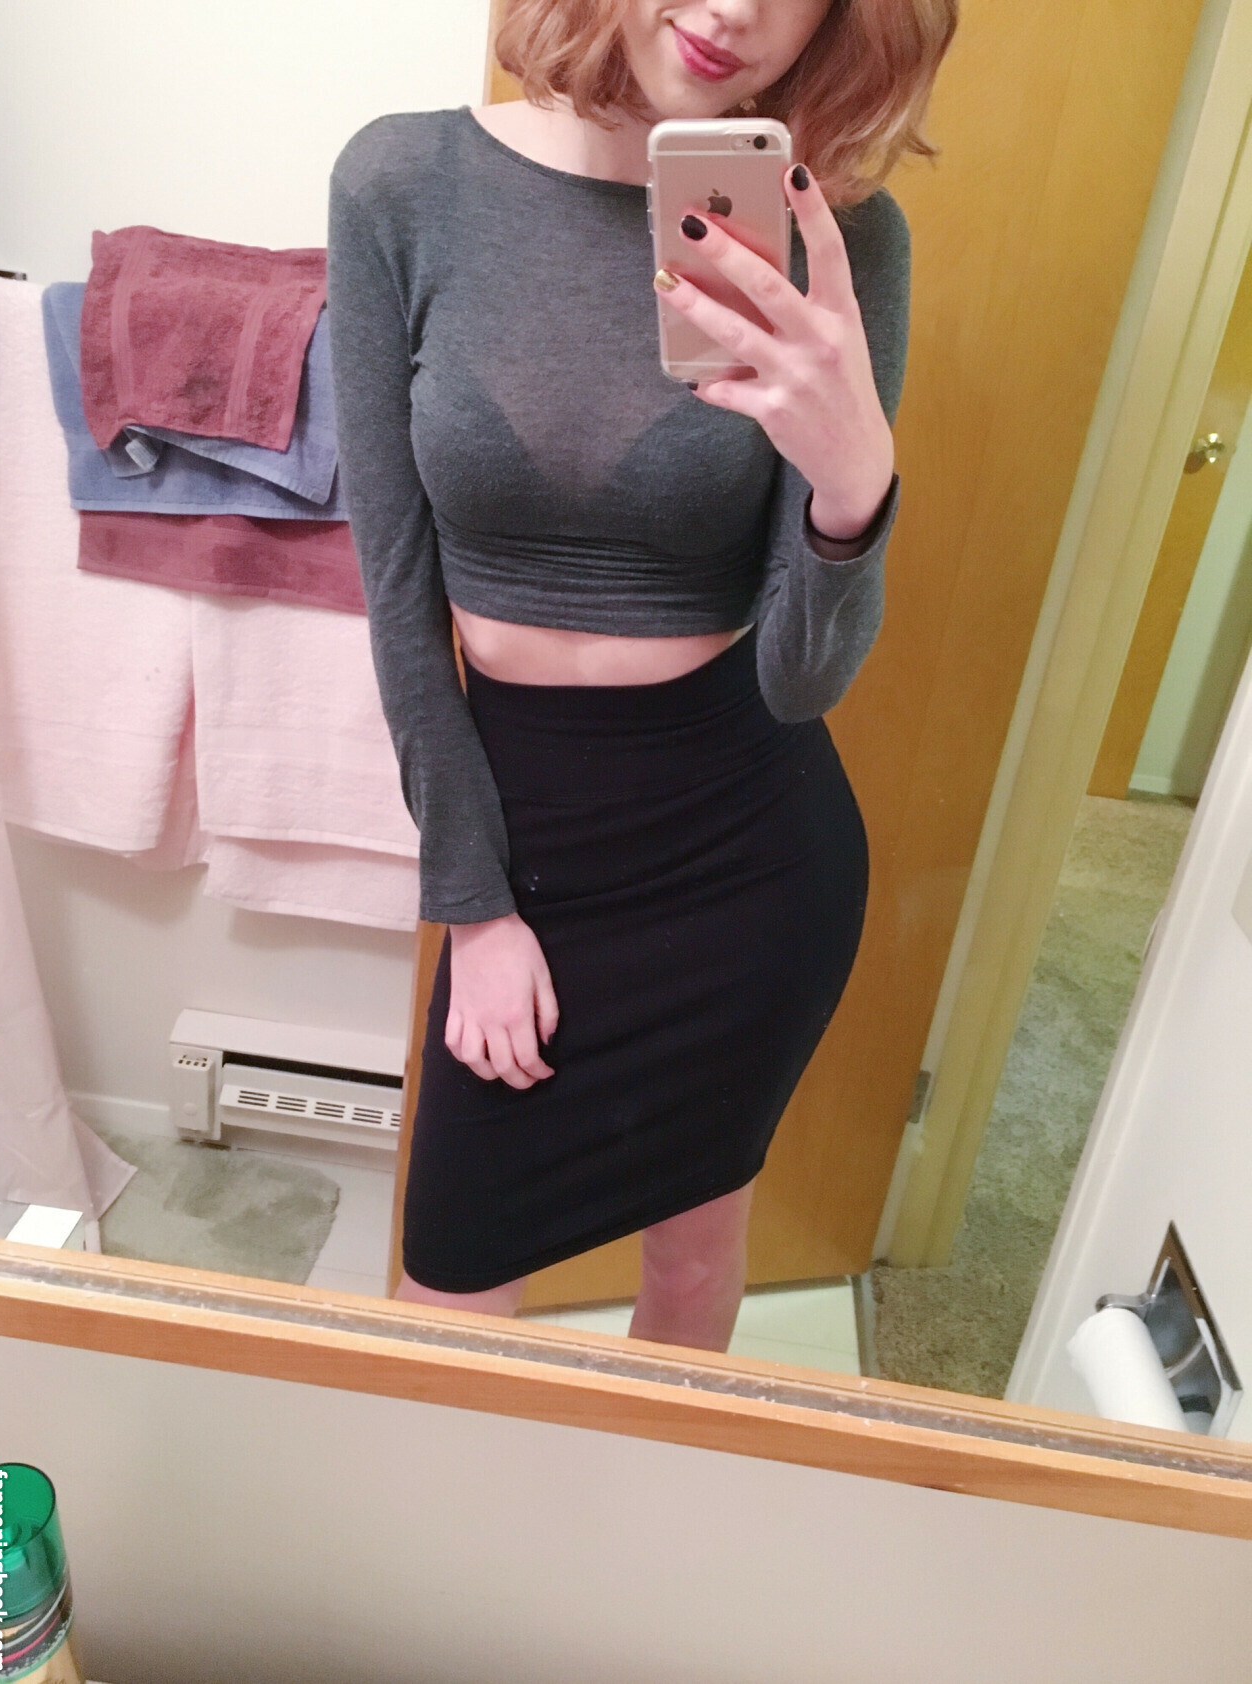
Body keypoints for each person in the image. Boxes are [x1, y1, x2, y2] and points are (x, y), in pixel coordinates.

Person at [327, 0, 957, 1350]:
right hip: (525, 840)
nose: (736, 11)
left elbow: (801, 680)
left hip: (746, 857)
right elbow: (397, 597)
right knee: (445, 1306)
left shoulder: (842, 240)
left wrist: (852, 488)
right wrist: (474, 910)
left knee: (693, 1257)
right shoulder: (403, 183)